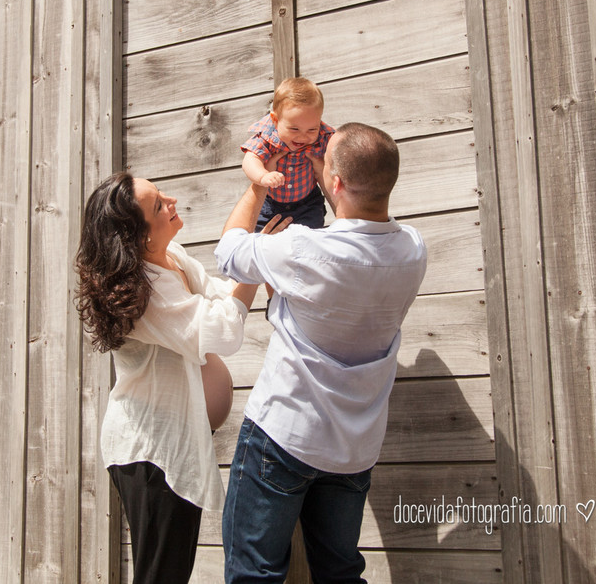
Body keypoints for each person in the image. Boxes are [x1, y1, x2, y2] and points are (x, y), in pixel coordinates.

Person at [216, 123, 428, 583]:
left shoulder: (303, 248)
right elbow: (357, 236)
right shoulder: (413, 250)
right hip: (354, 448)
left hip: (284, 433)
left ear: (334, 183)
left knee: (254, 575)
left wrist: (259, 184)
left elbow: (229, 253)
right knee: (340, 574)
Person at [75, 172, 269, 584]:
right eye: (158, 204)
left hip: (173, 447)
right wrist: (255, 264)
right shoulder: (143, 295)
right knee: (162, 576)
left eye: (162, 193)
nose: (172, 200)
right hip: (151, 453)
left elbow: (220, 296)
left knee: (170, 573)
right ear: (136, 235)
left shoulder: (173, 257)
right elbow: (223, 329)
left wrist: (256, 257)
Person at [241, 77, 335, 231]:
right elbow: (250, 160)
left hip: (307, 204)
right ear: (275, 120)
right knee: (260, 240)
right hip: (270, 205)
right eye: (294, 129)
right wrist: (263, 176)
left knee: (308, 241)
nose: (303, 137)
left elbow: (339, 149)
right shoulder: (268, 136)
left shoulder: (323, 137)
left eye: (312, 129)